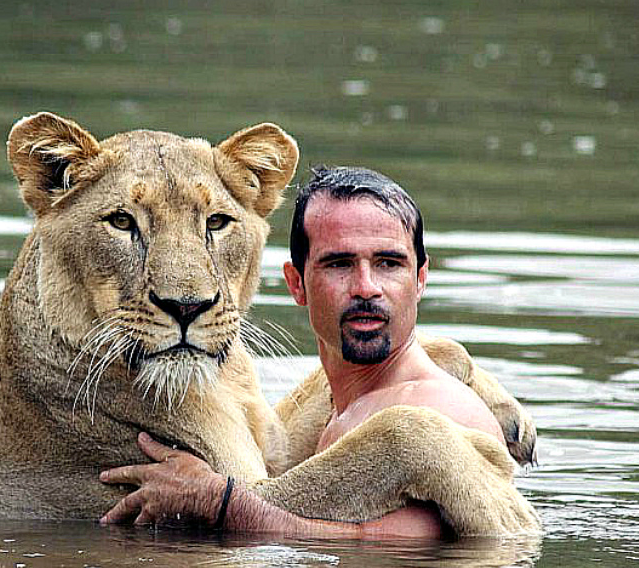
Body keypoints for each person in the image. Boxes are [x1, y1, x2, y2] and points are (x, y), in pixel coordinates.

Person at [99, 165, 509, 540]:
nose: (366, 286)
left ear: (420, 279)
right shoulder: (338, 403)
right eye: (339, 264)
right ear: (296, 284)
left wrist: (218, 503)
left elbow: (405, 554)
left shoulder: (443, 411)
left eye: (388, 263)